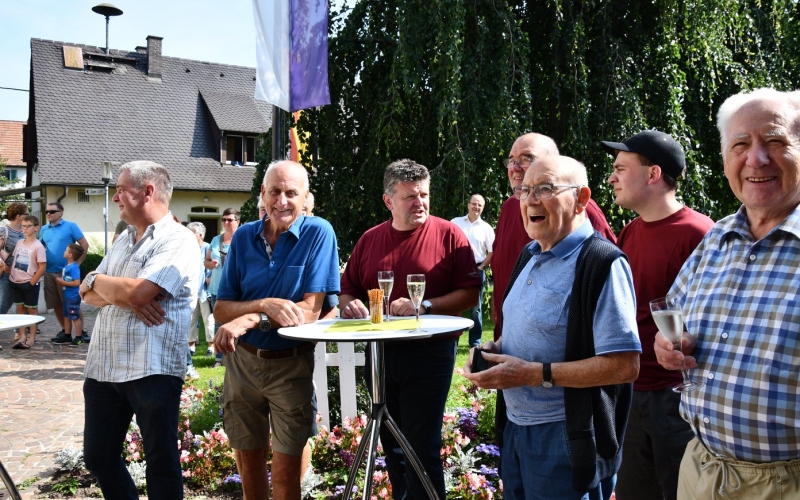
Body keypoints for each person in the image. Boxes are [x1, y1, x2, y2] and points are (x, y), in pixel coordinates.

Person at [464, 155, 640, 500]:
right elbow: (529, 330)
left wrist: (534, 374)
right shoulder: (529, 254)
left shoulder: (601, 263)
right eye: (525, 190)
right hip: (515, 429)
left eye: (545, 188)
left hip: (567, 436)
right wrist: (492, 351)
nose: (530, 200)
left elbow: (624, 366)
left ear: (581, 199)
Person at [655, 88, 800, 499]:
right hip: (701, 472)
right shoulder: (716, 239)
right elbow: (673, 324)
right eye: (740, 145)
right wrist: (668, 347)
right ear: (724, 161)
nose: (756, 158)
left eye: (774, 141)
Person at [340, 159, 481, 500]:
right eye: (410, 197)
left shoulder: (449, 235)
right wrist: (350, 305)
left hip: (430, 351)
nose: (420, 202)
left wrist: (425, 305)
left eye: (424, 195)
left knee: (421, 445)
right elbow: (348, 290)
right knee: (392, 446)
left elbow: (470, 292)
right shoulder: (370, 240)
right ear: (388, 201)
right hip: (380, 352)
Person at [212, 160, 340, 500]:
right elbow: (221, 309)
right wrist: (266, 305)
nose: (281, 201)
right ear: (263, 193)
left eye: (291, 193)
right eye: (274, 192)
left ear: (306, 197)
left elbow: (310, 311)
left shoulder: (318, 232)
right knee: (249, 474)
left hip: (290, 365)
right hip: (242, 364)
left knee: (285, 478)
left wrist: (253, 318)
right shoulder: (243, 236)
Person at [599, 130, 714, 500]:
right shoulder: (630, 231)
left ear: (653, 174)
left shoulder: (700, 233)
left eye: (621, 168)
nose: (611, 178)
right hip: (631, 391)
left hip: (679, 398)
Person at [78, 160, 198, 499]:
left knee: (161, 463)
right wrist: (113, 288)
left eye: (120, 190)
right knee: (98, 456)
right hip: (104, 367)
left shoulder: (179, 240)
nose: (115, 197)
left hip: (152, 367)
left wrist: (106, 285)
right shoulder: (124, 239)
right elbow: (86, 294)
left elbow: (138, 293)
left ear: (148, 192)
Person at [491, 133, 616, 341]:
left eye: (526, 158)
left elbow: (605, 271)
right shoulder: (509, 208)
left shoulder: (579, 208)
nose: (515, 167)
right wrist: (499, 306)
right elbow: (500, 262)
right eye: (511, 160)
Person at [40, 202, 89, 343]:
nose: (48, 214)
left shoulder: (71, 226)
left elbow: (84, 245)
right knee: (56, 304)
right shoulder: (44, 229)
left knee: (72, 303)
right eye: (47, 211)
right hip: (49, 272)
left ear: (60, 213)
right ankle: (65, 332)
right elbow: (40, 248)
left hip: (66, 274)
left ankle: (81, 332)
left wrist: (77, 263)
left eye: (52, 211)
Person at [451, 194, 495, 347]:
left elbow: (492, 252)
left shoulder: (486, 228)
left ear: (483, 208)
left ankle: (475, 342)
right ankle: (453, 338)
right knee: (454, 305)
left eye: (480, 205)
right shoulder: (455, 223)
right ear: (468, 204)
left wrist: (482, 267)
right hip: (457, 270)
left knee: (476, 309)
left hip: (477, 270)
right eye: (474, 204)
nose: (476, 207)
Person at [6, 215, 47, 349]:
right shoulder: (19, 243)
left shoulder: (38, 246)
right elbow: (14, 260)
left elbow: (42, 267)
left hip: (29, 283)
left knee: (32, 311)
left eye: (28, 226)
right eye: (23, 226)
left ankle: (32, 338)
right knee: (20, 310)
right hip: (15, 281)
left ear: (36, 228)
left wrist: (32, 283)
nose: (24, 229)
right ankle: (22, 336)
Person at [205, 207, 240, 367]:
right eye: (223, 219)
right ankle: (219, 358)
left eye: (229, 220)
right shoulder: (215, 240)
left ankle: (236, 356)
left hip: (236, 290)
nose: (226, 222)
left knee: (236, 322)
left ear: (237, 222)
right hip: (216, 289)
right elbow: (206, 261)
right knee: (218, 323)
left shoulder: (242, 238)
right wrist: (210, 264)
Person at [186, 222, 213, 357]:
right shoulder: (188, 249)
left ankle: (211, 346)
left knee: (208, 319)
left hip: (204, 291)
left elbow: (213, 266)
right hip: (190, 292)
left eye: (191, 233)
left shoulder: (208, 248)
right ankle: (191, 346)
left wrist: (210, 278)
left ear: (200, 235)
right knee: (191, 319)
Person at [0, 202, 29, 316]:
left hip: (23, 274)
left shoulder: (26, 231)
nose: (29, 216)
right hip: (8, 274)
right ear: (19, 216)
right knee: (5, 304)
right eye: (27, 214)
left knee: (22, 305)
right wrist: (4, 267)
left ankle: (20, 326)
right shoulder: (4, 231)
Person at [55, 243, 86, 347]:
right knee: (66, 316)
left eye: (66, 250)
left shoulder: (74, 267)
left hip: (73, 297)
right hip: (67, 296)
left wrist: (62, 282)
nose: (64, 251)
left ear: (70, 255)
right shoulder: (68, 266)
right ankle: (67, 335)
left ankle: (79, 337)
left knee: (74, 317)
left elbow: (77, 282)